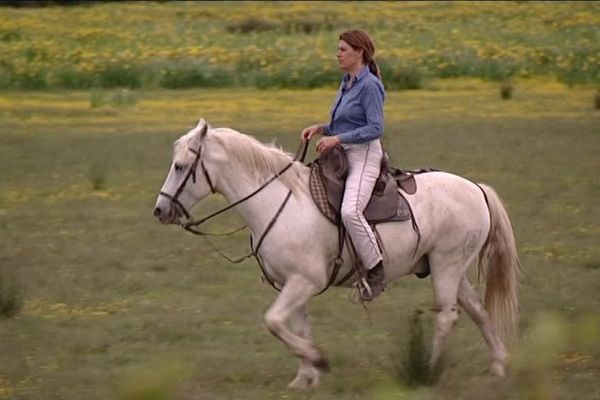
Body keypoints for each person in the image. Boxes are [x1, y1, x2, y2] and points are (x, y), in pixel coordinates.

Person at [301, 29, 386, 301]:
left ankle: (376, 269)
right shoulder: (346, 82)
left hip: (364, 155)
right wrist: (321, 129)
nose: (338, 54)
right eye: (338, 49)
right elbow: (344, 123)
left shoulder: (369, 85)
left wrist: (336, 138)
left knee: (350, 212)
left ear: (359, 52)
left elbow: (375, 128)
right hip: (341, 155)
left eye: (343, 49)